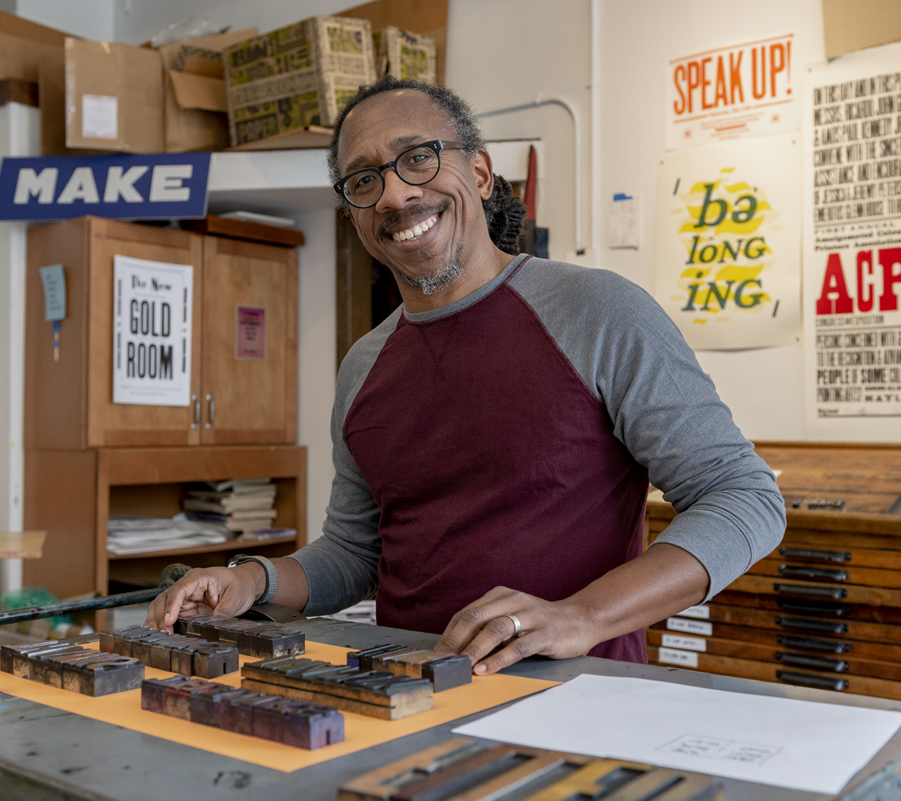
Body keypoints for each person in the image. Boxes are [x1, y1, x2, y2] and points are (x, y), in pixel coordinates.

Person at [148, 77, 786, 675]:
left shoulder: (598, 313)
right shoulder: (363, 366)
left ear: (479, 173)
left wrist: (581, 616)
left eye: (418, 157)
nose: (396, 195)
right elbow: (355, 553)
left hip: (577, 702)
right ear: (353, 218)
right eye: (364, 181)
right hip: (403, 697)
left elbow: (744, 499)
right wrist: (251, 579)